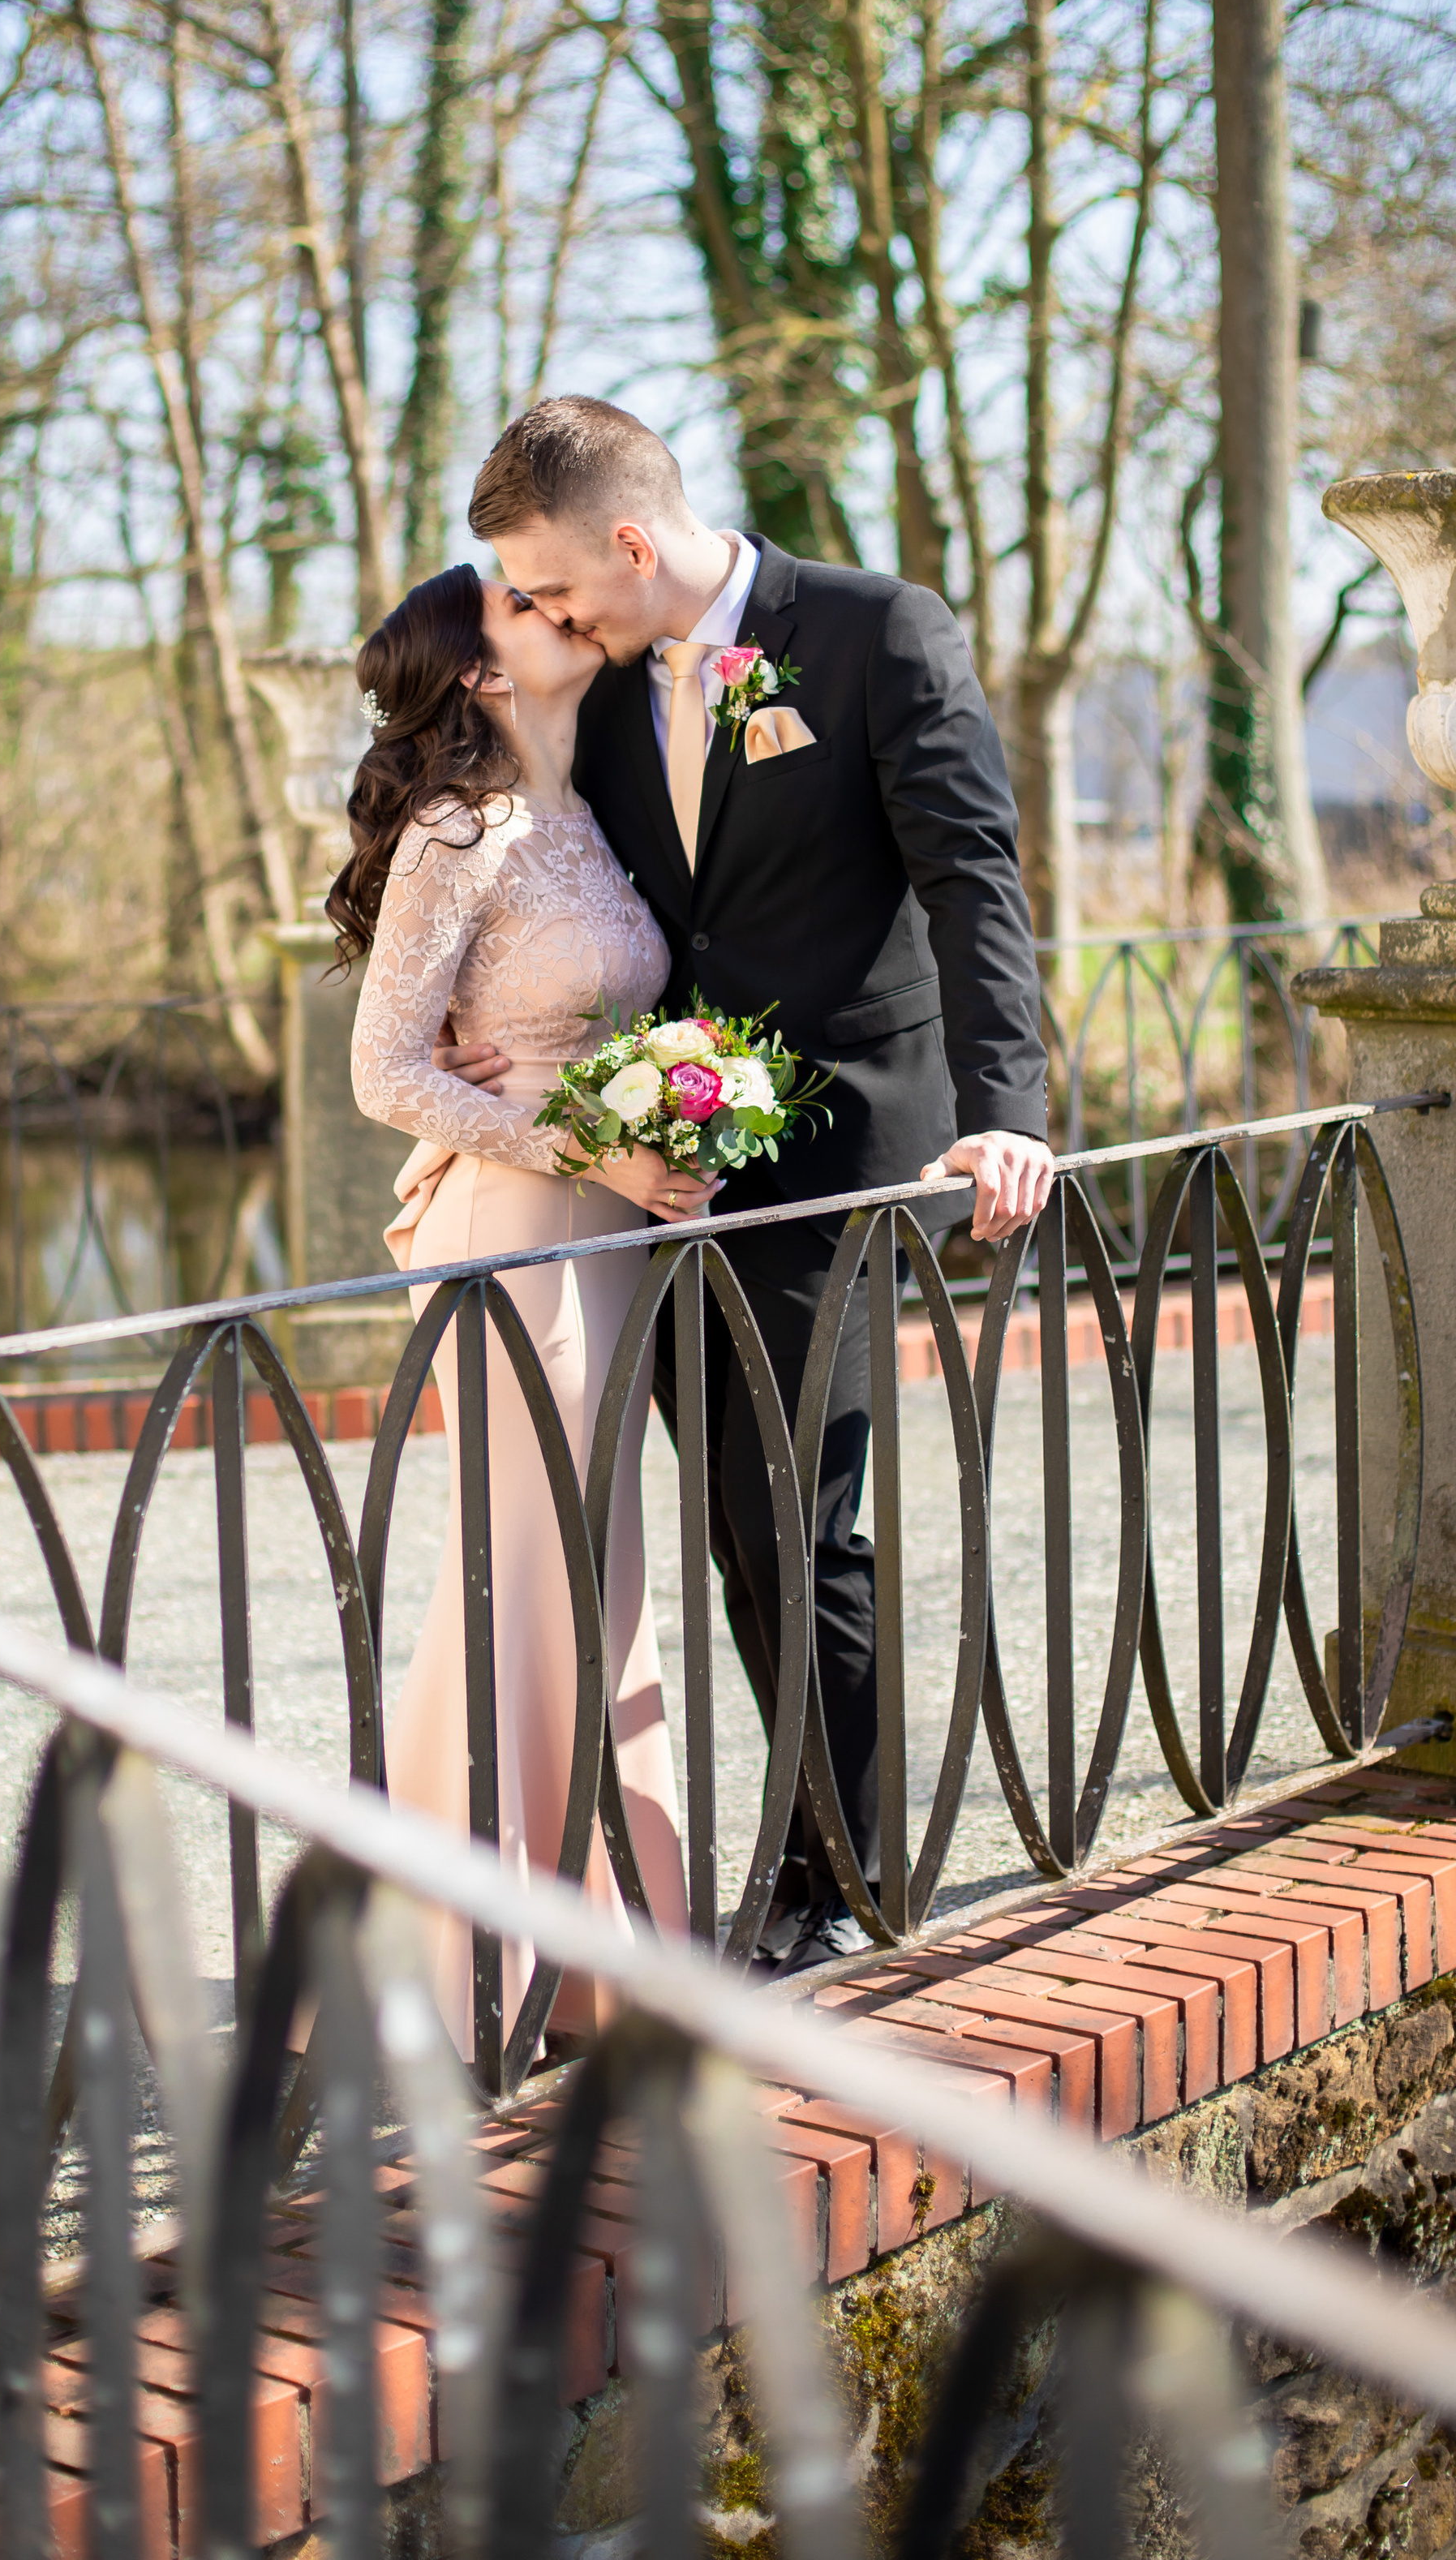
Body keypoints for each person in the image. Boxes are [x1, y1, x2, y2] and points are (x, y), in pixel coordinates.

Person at [438, 393, 1054, 1976]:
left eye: (555, 583)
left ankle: (837, 1880)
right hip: (658, 1162)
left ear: (631, 543)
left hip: (839, 1149)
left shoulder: (874, 632)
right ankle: (753, 1854)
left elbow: (972, 882)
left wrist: (1006, 1114)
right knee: (726, 1520)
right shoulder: (596, 680)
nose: (546, 615)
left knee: (799, 1521)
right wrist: (495, 1066)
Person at [334, 561, 698, 2056]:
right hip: (512, 1224)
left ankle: (583, 1957)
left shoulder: (584, 815)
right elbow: (384, 1072)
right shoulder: (457, 831)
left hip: (604, 1224)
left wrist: (673, 1112)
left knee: (589, 1568)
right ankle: (487, 1966)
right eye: (524, 606)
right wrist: (580, 1144)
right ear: (480, 674)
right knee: (532, 1571)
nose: (560, 606)